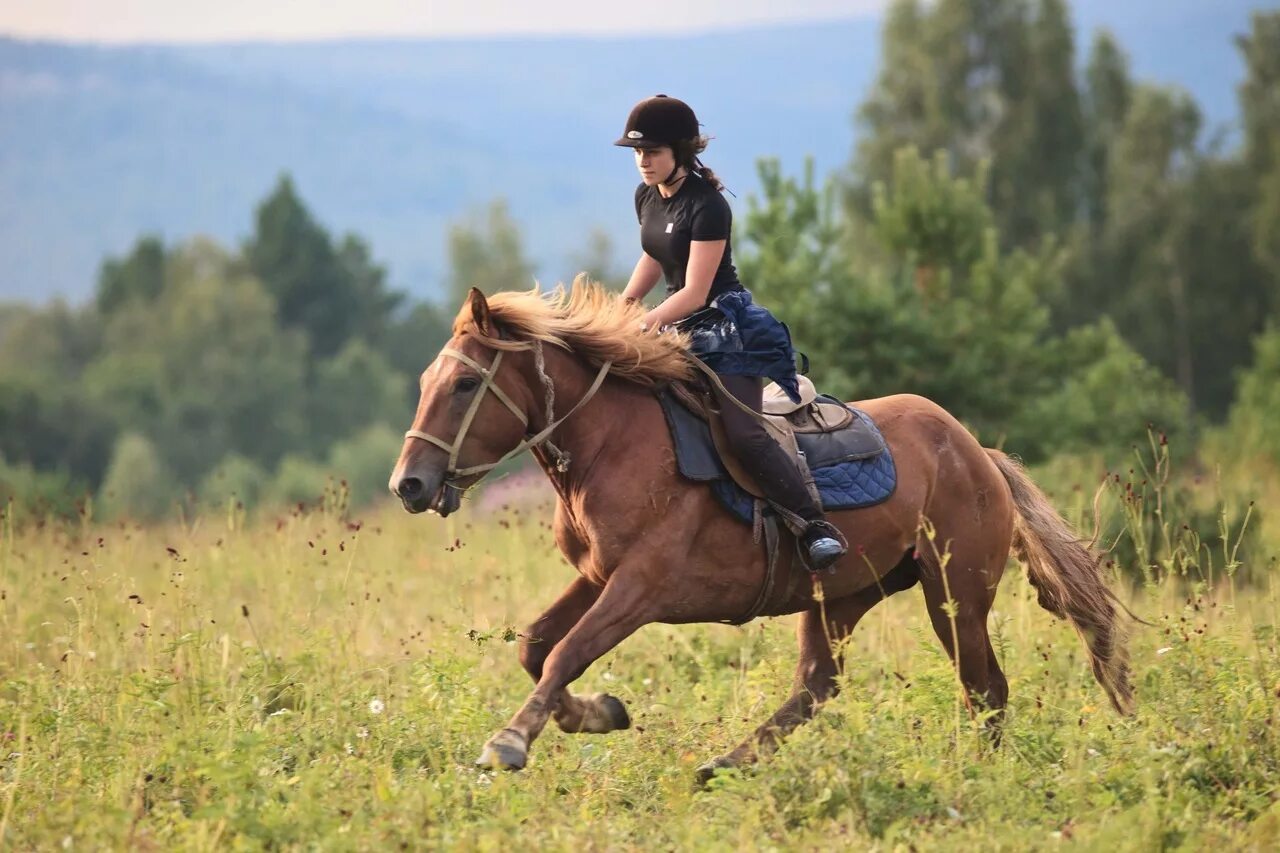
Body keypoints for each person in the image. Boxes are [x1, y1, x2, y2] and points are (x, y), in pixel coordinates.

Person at [614, 94, 847, 572]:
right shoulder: (646, 196)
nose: (643, 162)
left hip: (726, 329)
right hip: (674, 324)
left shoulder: (709, 205)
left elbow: (696, 291)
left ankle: (814, 526)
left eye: (653, 152)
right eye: (638, 153)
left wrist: (640, 324)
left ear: (680, 151)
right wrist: (621, 306)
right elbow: (657, 253)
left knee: (743, 432)